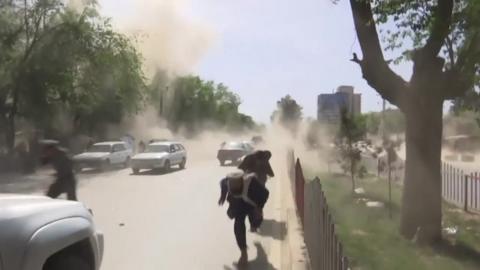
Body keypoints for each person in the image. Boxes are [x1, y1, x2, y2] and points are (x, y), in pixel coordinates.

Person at [218, 171, 269, 266]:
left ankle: (254, 225)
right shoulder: (226, 182)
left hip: (252, 202)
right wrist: (223, 196)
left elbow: (265, 193)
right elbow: (222, 183)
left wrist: (259, 207)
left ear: (242, 182)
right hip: (238, 203)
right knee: (238, 225)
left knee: (256, 221)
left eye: (237, 188)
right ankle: (243, 252)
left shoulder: (252, 183)